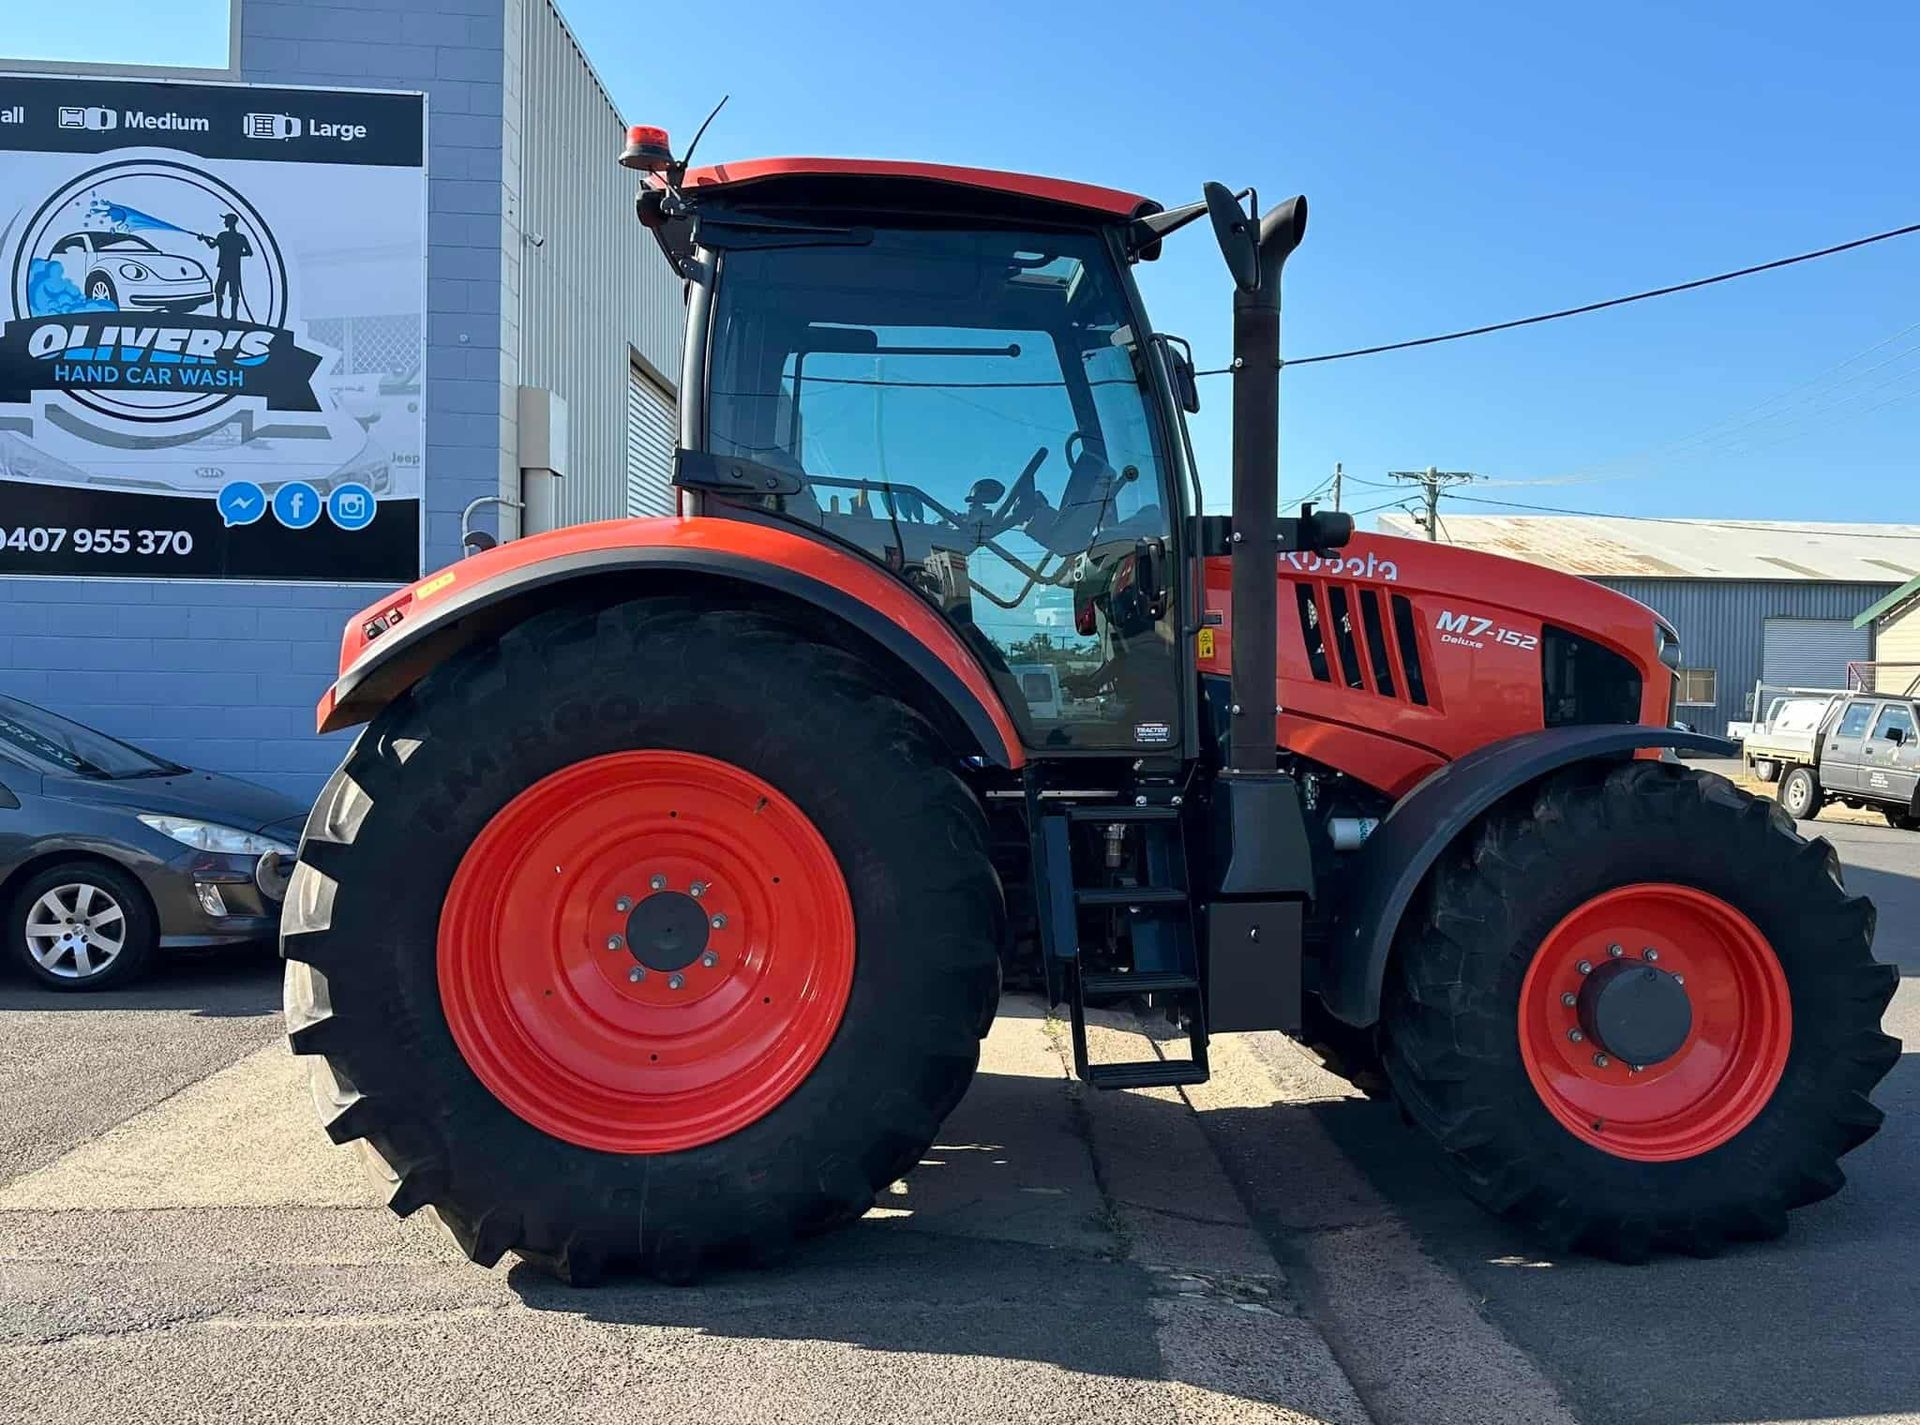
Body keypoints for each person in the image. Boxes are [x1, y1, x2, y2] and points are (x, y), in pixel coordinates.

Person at [198, 213, 253, 320]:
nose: (224, 222)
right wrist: (204, 238)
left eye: (226, 220)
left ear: (230, 222)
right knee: (221, 292)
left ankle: (231, 316)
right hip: (228, 268)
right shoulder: (228, 236)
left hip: (229, 268)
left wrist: (235, 253)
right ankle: (221, 315)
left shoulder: (226, 236)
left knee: (230, 293)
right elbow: (212, 245)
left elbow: (249, 252)